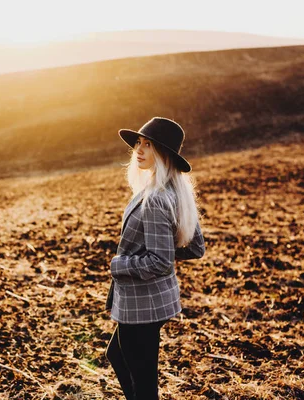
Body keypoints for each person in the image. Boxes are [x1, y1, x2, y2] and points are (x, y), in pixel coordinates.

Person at [104, 117, 206, 400]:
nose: (139, 149)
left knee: (144, 382)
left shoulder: (156, 199)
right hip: (153, 300)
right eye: (138, 142)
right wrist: (157, 247)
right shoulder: (177, 192)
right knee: (118, 355)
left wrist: (121, 264)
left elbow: (160, 262)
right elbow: (195, 248)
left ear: (163, 154)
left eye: (148, 145)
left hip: (142, 303)